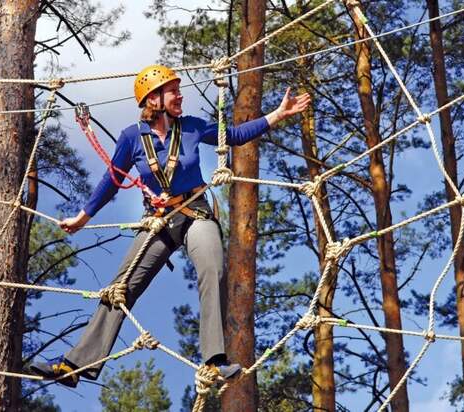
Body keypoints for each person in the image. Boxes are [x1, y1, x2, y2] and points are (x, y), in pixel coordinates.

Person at [31, 65, 311, 387]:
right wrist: (84, 216)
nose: (180, 96)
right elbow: (113, 179)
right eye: (173, 91)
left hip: (196, 213)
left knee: (213, 268)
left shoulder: (191, 127)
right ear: (153, 99)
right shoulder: (132, 138)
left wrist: (277, 115)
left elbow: (232, 136)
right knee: (121, 288)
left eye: (179, 90)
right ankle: (75, 365)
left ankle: (214, 361)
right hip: (160, 220)